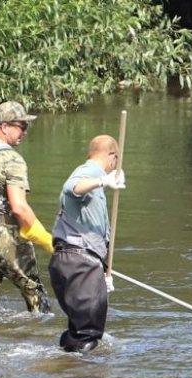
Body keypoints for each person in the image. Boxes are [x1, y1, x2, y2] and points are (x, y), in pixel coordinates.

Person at [0, 101, 54, 315]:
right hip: (5, 235)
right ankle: (44, 338)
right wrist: (46, 240)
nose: (25, 132)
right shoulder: (13, 160)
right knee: (36, 295)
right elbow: (19, 207)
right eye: (21, 126)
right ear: (4, 127)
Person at [49, 135, 126, 353]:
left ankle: (64, 375)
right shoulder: (91, 172)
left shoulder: (91, 176)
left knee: (79, 329)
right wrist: (103, 180)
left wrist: (104, 271)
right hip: (79, 263)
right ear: (113, 158)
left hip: (71, 262)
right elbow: (71, 187)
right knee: (88, 334)